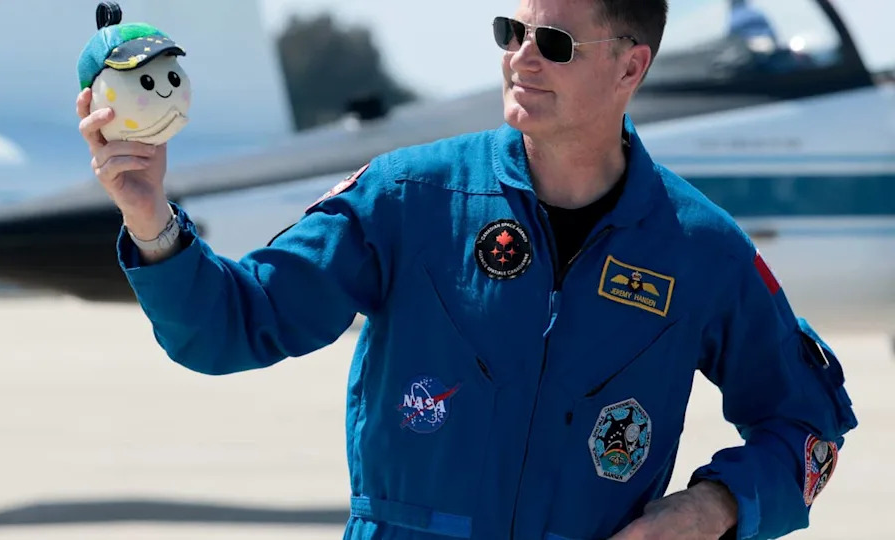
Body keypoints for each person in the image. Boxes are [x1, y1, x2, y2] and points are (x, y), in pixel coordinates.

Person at [75, 0, 857, 538]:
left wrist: (717, 505)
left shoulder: (700, 249)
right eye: (509, 30)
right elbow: (234, 327)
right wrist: (150, 218)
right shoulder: (408, 199)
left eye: (553, 42)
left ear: (631, 67)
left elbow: (808, 423)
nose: (521, 58)